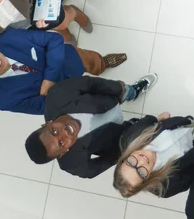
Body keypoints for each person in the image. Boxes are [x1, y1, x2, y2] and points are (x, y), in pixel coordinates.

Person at [0, 28, 127, 115]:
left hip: (70, 60)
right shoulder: (5, 100)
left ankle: (102, 64)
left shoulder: (8, 38)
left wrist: (49, 79)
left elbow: (54, 39)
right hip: (71, 94)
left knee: (93, 62)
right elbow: (47, 107)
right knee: (101, 96)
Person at [24, 74, 158, 178]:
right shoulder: (72, 163)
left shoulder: (56, 95)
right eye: (61, 143)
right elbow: (95, 168)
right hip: (116, 135)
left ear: (47, 123)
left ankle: (133, 91)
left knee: (126, 91)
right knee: (145, 129)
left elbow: (91, 84)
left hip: (109, 99)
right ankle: (135, 124)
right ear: (63, 153)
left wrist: (119, 89)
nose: (65, 133)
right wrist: (124, 148)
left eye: (54, 131)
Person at [112, 112, 194, 198]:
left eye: (130, 162)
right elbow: (190, 177)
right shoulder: (167, 187)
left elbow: (146, 121)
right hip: (190, 152)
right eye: (141, 173)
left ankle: (186, 125)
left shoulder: (129, 138)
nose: (141, 161)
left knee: (189, 123)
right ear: (146, 181)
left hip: (174, 126)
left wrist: (157, 119)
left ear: (124, 158)